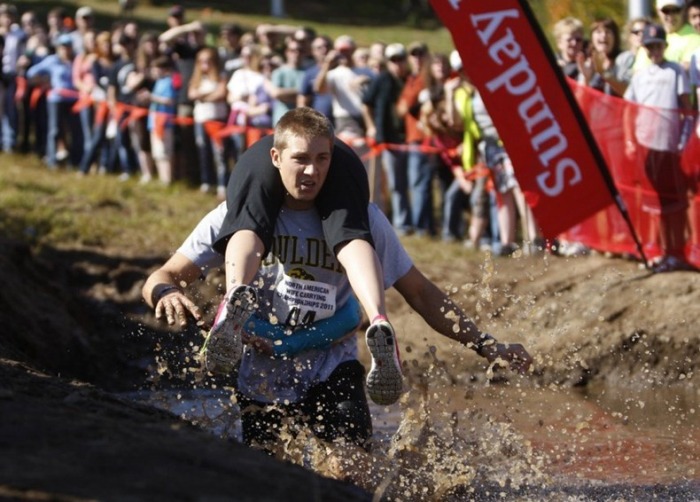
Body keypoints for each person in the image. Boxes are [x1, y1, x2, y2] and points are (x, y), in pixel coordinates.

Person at [142, 108, 532, 451]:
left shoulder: (361, 217)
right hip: (260, 369)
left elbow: (420, 291)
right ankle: (235, 308)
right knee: (270, 477)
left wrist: (485, 344)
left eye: (321, 159)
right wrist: (165, 292)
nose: (311, 171)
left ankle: (377, 324)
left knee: (352, 472)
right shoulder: (236, 212)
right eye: (300, 159)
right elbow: (163, 274)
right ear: (275, 157)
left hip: (332, 363)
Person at [624, 24, 694, 272]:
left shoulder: (675, 71)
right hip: (647, 147)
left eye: (658, 45)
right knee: (654, 204)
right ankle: (662, 252)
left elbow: (686, 107)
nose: (654, 50)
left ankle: (678, 251)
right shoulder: (640, 76)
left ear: (665, 46)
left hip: (670, 147)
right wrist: (630, 140)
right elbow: (628, 109)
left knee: (675, 202)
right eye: (650, 46)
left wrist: (683, 141)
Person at [362, 43, 410, 227]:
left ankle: (413, 221)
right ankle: (401, 222)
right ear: (388, 62)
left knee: (411, 182)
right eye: (393, 60)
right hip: (388, 139)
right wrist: (371, 126)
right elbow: (366, 103)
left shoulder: (410, 80)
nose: (397, 63)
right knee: (395, 183)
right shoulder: (381, 80)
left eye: (401, 59)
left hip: (411, 138)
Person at [188, 47, 229, 199]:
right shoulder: (197, 78)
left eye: (208, 61)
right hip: (200, 119)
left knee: (219, 153)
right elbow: (191, 94)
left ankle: (222, 185)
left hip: (217, 120)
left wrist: (202, 96)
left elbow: (221, 94)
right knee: (203, 151)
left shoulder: (221, 76)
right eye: (201, 61)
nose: (204, 64)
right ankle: (206, 182)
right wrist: (209, 95)